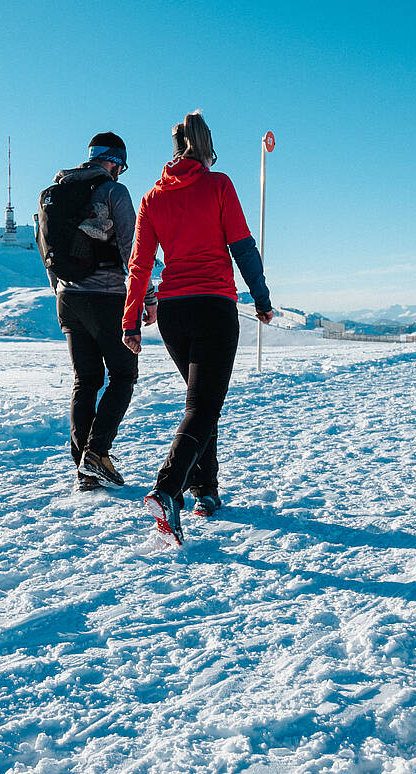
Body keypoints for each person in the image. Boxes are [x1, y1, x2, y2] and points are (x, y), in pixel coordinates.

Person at [122, 111, 273, 544]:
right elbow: (243, 246)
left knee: (201, 400)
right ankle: (168, 489)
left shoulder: (152, 198)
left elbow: (140, 265)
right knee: (204, 405)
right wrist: (261, 298)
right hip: (213, 306)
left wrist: (131, 319)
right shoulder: (219, 184)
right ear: (207, 146)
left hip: (173, 314)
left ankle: (205, 490)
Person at [39, 133, 138, 492]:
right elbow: (131, 249)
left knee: (86, 380)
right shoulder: (113, 192)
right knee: (124, 374)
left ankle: (83, 470)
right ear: (115, 161)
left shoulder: (56, 193)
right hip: (106, 296)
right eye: (120, 166)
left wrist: (63, 289)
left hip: (67, 299)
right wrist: (148, 295)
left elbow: (47, 250)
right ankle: (96, 453)